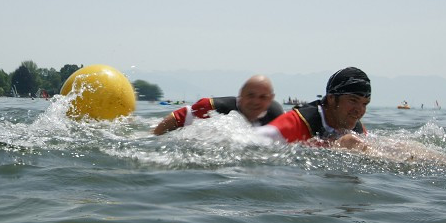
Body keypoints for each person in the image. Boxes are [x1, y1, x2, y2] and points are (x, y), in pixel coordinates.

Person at [256, 67, 370, 149]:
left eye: (365, 104)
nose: (359, 110)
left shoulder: (357, 129)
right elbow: (249, 142)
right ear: (331, 98)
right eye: (353, 100)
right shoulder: (293, 125)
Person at [152, 75, 284, 135]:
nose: (256, 101)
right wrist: (154, 136)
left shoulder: (277, 116)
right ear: (241, 96)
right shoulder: (216, 108)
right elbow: (179, 116)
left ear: (270, 99)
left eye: (263, 97)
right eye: (251, 95)